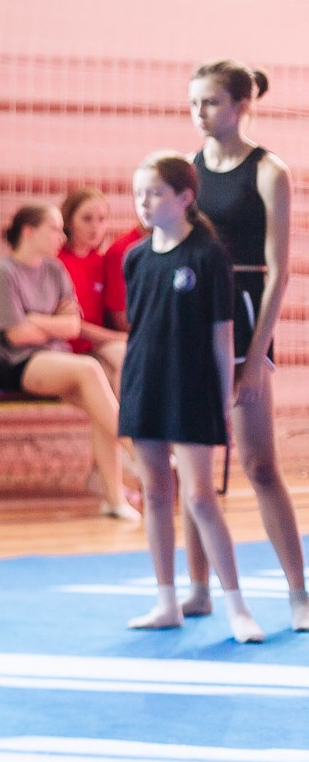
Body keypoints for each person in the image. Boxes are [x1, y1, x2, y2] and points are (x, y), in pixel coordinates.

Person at [186, 61, 308, 629]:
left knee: (260, 464)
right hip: (197, 320)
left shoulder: (269, 171)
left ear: (241, 105)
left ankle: (298, 591)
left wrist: (257, 354)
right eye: (194, 103)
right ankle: (197, 588)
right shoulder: (188, 170)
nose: (200, 113)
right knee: (194, 464)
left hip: (246, 316)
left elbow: (281, 270)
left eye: (210, 102)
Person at [120, 155, 258, 640]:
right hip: (145, 384)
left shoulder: (207, 254)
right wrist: (128, 388)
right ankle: (166, 600)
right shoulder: (134, 258)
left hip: (192, 387)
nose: (144, 202)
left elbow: (223, 334)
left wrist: (224, 395)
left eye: (155, 193)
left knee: (199, 497)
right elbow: (138, 329)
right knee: (156, 494)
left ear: (184, 197)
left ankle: (237, 605)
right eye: (139, 193)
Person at [0, 203, 134, 518]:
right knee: (91, 369)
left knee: (101, 404)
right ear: (28, 231)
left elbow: (72, 326)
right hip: (14, 363)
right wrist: (50, 325)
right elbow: (15, 336)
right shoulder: (3, 273)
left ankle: (114, 499)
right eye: (53, 228)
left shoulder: (54, 270)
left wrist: (36, 319)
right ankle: (140, 452)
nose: (60, 236)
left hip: (54, 358)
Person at [57, 187, 132, 385]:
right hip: (65, 348)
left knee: (129, 360)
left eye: (102, 219)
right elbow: (69, 324)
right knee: (119, 361)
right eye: (87, 219)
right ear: (68, 221)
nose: (95, 227)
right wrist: (119, 337)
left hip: (97, 345)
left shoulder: (102, 262)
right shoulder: (56, 262)